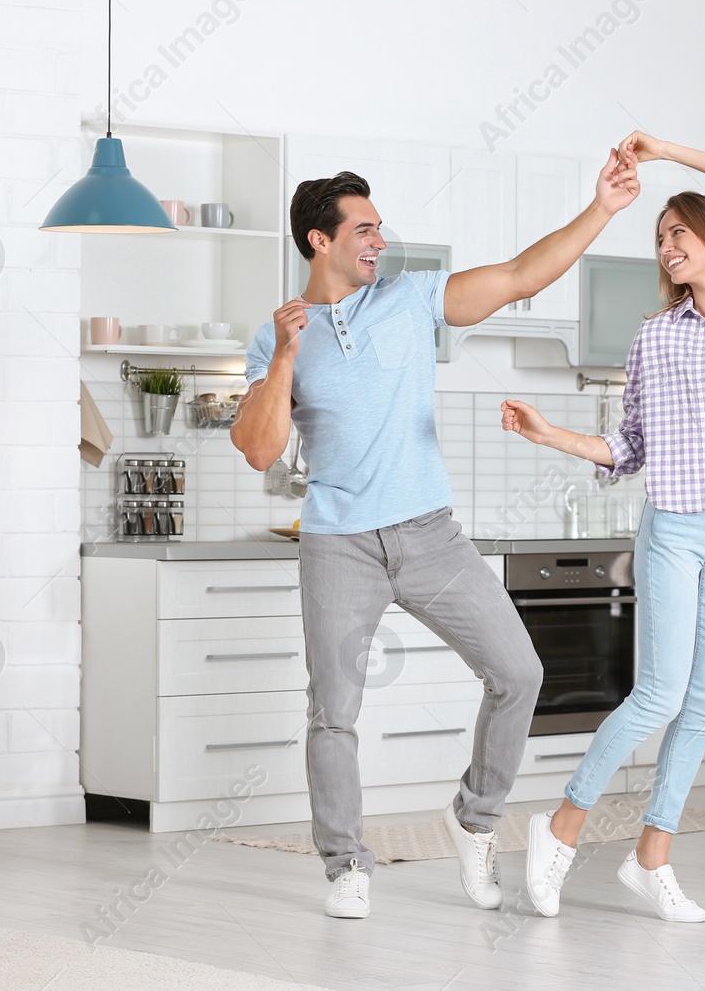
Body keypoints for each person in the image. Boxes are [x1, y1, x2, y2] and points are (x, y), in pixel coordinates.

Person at [230, 151, 639, 919]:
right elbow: (258, 447)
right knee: (334, 712)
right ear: (319, 241)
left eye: (380, 227)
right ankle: (347, 864)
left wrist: (603, 209)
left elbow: (521, 274)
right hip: (337, 543)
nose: (378, 240)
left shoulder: (413, 299)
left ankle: (474, 817)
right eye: (363, 228)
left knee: (519, 672)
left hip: (429, 534)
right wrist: (286, 353)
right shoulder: (275, 336)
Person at [503, 131, 705, 923]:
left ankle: (653, 857)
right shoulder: (658, 336)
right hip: (679, 524)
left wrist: (666, 152)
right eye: (660, 238)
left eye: (677, 231)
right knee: (659, 694)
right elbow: (631, 446)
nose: (665, 245)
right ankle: (561, 827)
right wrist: (551, 436)